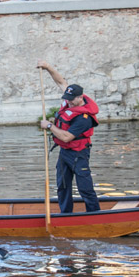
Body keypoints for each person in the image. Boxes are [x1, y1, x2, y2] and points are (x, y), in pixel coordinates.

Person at [37, 60, 101, 214]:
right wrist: (47, 67)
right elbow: (60, 81)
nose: (69, 102)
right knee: (63, 186)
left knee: (85, 188)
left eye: (72, 100)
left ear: (80, 98)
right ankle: (65, 215)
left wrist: (50, 126)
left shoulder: (84, 118)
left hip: (79, 154)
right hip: (65, 153)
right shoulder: (71, 97)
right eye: (68, 99)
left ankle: (95, 215)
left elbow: (66, 137)